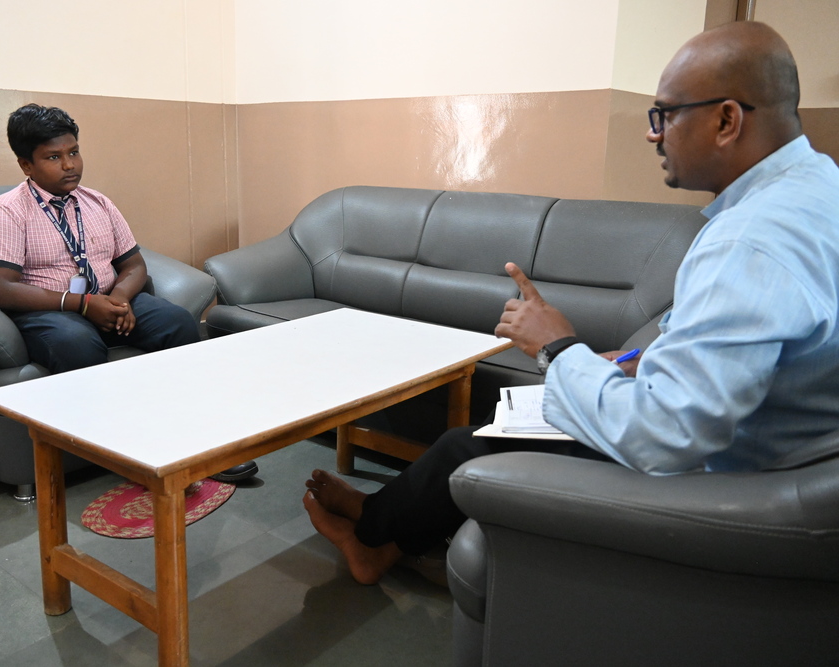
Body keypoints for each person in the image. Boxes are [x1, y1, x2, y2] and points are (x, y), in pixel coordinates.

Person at [304, 21, 839, 584]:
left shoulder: (748, 240)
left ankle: (371, 539)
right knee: (494, 425)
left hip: (721, 482)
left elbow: (665, 436)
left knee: (471, 445)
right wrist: (636, 361)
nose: (653, 134)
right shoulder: (816, 190)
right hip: (765, 453)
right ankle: (378, 521)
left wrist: (557, 347)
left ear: (726, 120)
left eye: (665, 115)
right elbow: (741, 347)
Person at [0, 103, 257, 482]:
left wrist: (120, 298)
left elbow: (134, 265)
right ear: (26, 165)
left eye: (74, 152)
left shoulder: (97, 203)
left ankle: (198, 438)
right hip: (50, 312)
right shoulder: (6, 212)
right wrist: (83, 304)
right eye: (53, 157)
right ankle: (128, 453)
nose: (70, 165)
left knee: (177, 322)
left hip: (107, 299)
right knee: (77, 342)